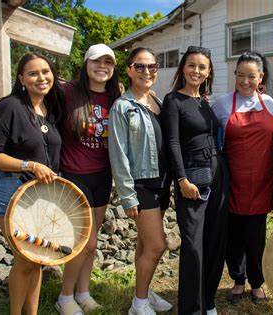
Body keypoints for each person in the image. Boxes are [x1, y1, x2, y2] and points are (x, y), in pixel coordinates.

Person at [0, 53, 64, 315]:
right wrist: (29, 165)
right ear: (21, 78)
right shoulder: (9, 107)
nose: (41, 77)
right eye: (33, 73)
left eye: (45, 71)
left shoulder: (48, 109)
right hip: (11, 191)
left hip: (41, 194)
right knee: (25, 260)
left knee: (37, 260)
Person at [162, 46, 229, 315]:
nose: (196, 71)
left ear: (209, 71)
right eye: (191, 65)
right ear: (183, 68)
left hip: (218, 172)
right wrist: (181, 178)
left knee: (215, 239)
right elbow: (173, 142)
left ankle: (208, 302)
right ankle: (191, 308)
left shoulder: (205, 101)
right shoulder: (173, 100)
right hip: (192, 174)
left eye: (202, 67)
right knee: (192, 244)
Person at [56, 44, 121, 315]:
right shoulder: (67, 92)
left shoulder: (115, 97)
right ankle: (65, 296)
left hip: (102, 176)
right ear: (86, 64)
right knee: (83, 241)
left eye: (108, 62)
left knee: (91, 241)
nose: (102, 66)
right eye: (97, 61)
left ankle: (83, 293)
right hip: (74, 174)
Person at [109, 47, 173, 315]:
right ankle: (139, 304)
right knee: (157, 245)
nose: (146, 72)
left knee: (144, 244)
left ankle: (144, 292)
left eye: (151, 67)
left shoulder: (157, 101)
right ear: (129, 70)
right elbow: (118, 152)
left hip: (162, 182)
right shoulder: (122, 107)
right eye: (140, 66)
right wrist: (127, 195)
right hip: (141, 184)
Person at [212, 51, 273, 304]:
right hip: (232, 181)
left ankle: (257, 282)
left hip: (261, 181)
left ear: (260, 77)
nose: (245, 81)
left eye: (251, 76)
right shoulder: (221, 104)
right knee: (233, 236)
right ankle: (238, 280)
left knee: (255, 235)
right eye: (240, 75)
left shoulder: (270, 104)